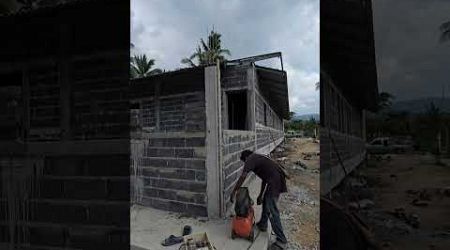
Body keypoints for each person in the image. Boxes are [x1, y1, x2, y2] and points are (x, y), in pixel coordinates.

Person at [230, 150, 289, 249]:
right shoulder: (258, 158)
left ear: (245, 158)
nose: (245, 164)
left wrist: (234, 191)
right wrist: (261, 194)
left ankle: (282, 240)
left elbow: (243, 176)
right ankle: (263, 224)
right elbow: (265, 179)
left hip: (274, 182)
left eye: (244, 162)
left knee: (272, 210)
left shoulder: (250, 159)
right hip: (275, 180)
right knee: (266, 200)